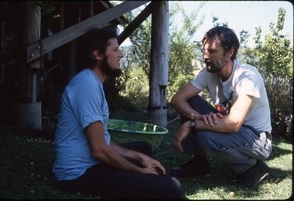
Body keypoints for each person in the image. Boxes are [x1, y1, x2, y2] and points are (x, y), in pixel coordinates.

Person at [52, 26, 183, 199]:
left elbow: (103, 141)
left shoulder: (92, 82)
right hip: (77, 174)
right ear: (97, 54)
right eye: (115, 49)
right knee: (171, 188)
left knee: (143, 148)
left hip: (93, 161)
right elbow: (99, 149)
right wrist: (140, 172)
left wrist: (140, 157)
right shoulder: (87, 85)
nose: (120, 54)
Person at [169, 26, 272, 187]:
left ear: (229, 52)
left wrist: (192, 124)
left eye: (212, 51)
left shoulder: (247, 75)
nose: (205, 56)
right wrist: (198, 116)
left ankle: (253, 168)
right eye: (204, 51)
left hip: (257, 138)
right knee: (191, 102)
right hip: (232, 129)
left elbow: (234, 123)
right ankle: (199, 163)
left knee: (206, 137)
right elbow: (178, 99)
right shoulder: (209, 72)